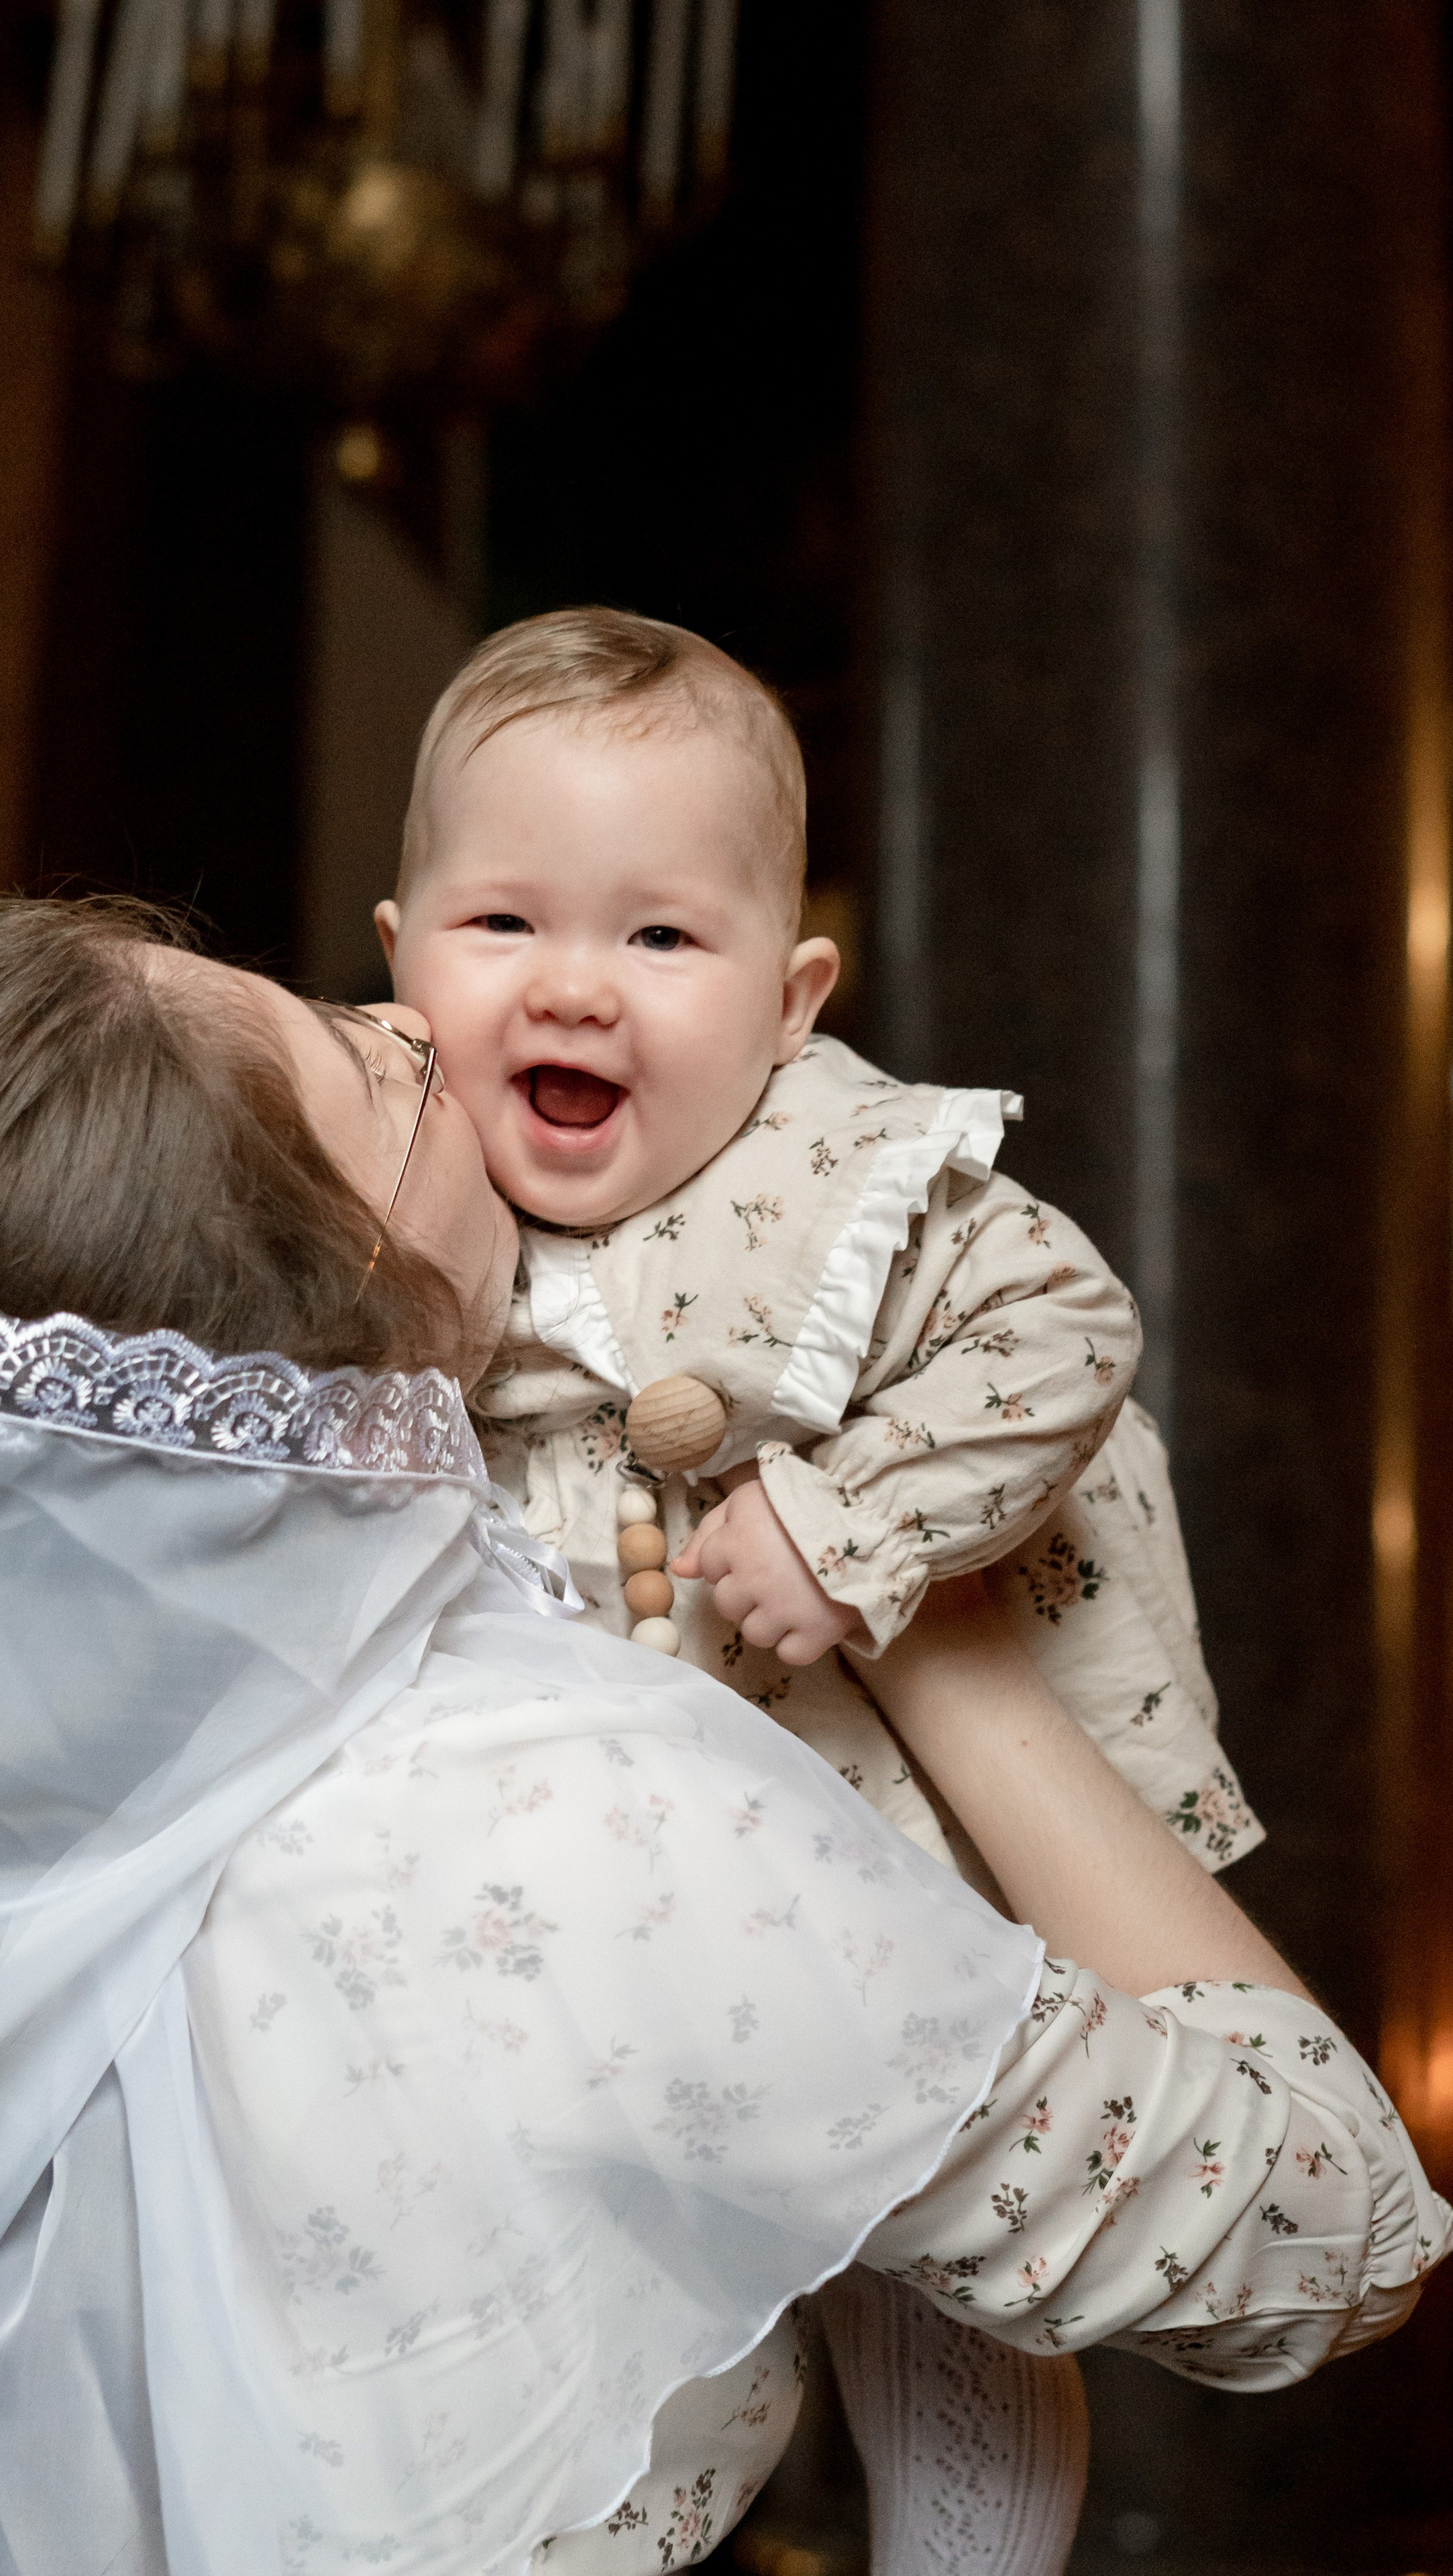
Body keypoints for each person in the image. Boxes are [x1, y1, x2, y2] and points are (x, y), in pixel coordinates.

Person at [0, 901, 1442, 2576]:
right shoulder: (574, 1821)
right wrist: (942, 1627)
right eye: (367, 1067)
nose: (418, 1025)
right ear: (355, 1279)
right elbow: (1322, 2227)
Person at [374, 608, 1253, 2563]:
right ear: (394, 958)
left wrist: (851, 1524)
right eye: (503, 924)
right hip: (576, 1905)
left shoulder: (842, 1175)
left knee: (931, 2274)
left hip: (859, 1830)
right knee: (632, 2301)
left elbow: (1059, 1327)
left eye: (662, 938)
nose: (574, 988)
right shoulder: (384, 1192)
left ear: (792, 996)